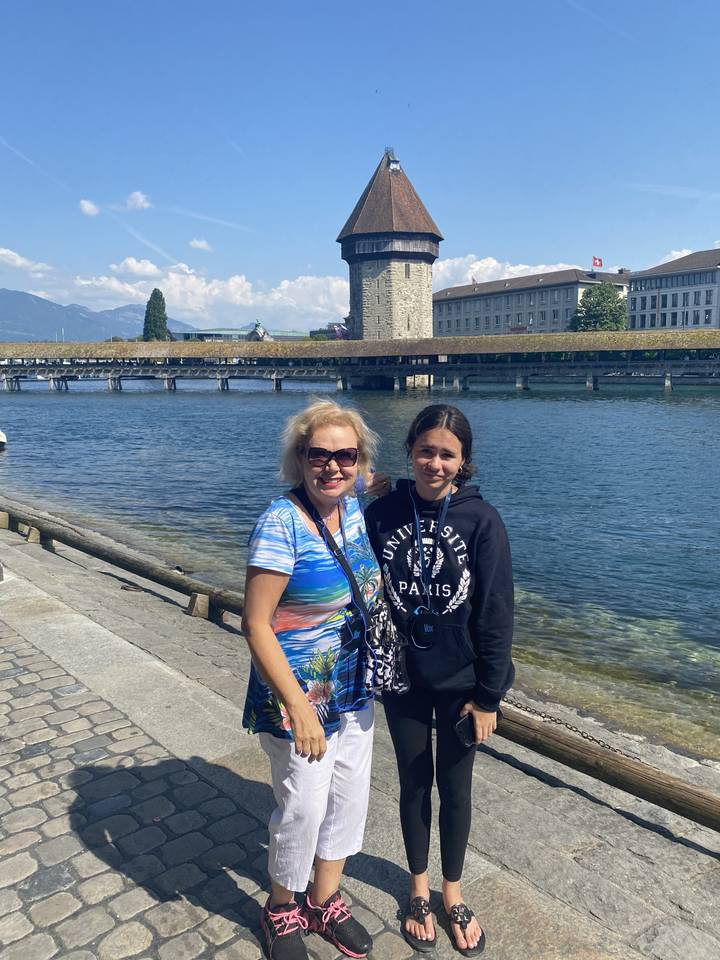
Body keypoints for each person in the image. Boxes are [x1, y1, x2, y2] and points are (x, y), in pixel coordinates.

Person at [364, 404, 514, 957]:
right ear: (410, 450)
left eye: (447, 454)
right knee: (411, 782)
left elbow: (496, 613)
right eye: (426, 450)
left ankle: (452, 893)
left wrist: (488, 695)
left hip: (460, 682)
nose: (435, 462)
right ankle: (418, 887)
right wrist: (369, 481)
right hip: (402, 678)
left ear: (464, 461)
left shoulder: (482, 521)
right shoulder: (384, 512)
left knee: (455, 788)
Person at [241, 398, 383, 960]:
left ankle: (324, 900)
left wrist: (447, 485)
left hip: (353, 687)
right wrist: (298, 706)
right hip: (297, 696)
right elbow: (255, 624)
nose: (332, 466)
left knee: (348, 799)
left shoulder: (352, 503)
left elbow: (387, 479)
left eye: (344, 455)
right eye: (318, 454)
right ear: (299, 459)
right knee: (301, 806)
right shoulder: (281, 523)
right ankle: (281, 907)